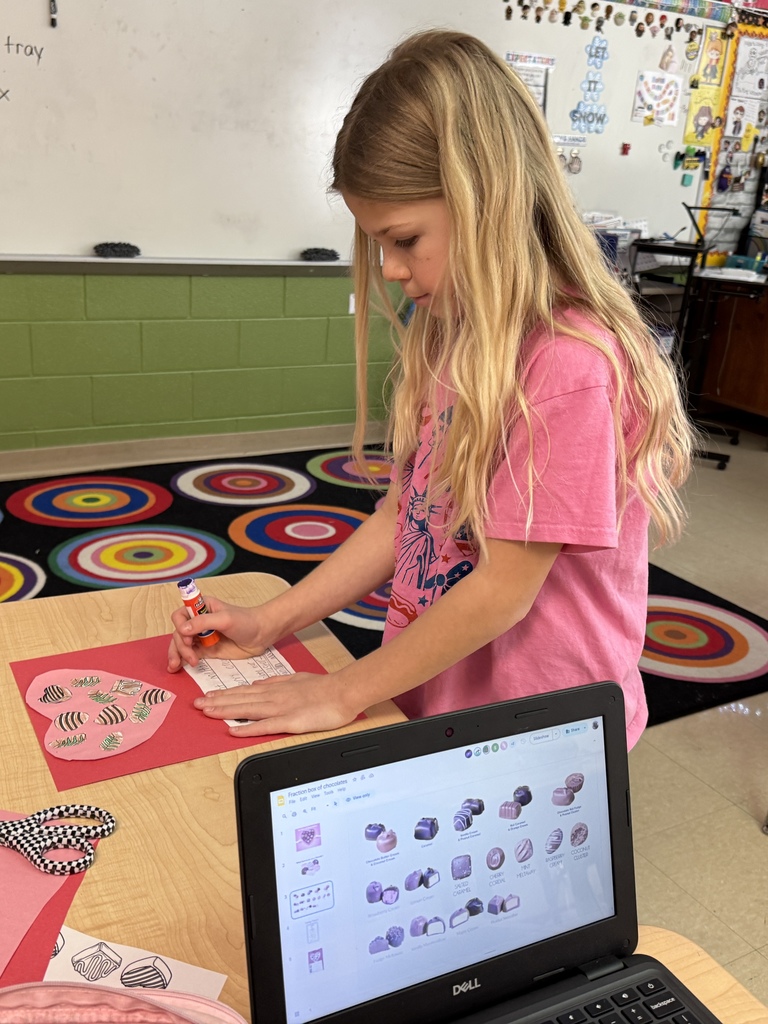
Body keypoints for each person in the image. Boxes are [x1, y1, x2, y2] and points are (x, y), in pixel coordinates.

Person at [167, 30, 693, 748]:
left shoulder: (568, 365)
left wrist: (344, 690)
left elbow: (503, 590)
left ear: (489, 200)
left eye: (405, 240)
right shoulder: (454, 333)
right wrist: (272, 620)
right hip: (435, 704)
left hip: (538, 739)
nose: (387, 268)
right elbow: (402, 517)